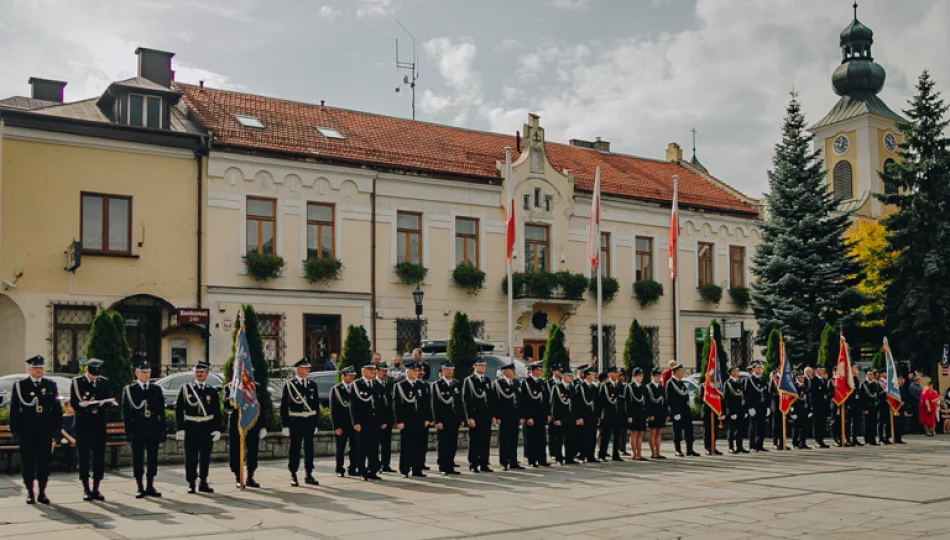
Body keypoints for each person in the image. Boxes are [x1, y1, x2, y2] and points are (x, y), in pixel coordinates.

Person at [10, 355, 63, 505]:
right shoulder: (21, 386)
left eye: (40, 367)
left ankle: (42, 492)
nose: (38, 370)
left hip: (44, 430)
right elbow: (14, 409)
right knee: (28, 462)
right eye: (35, 367)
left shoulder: (50, 385)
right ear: (29, 369)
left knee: (44, 462)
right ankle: (30, 492)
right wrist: (14, 430)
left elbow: (56, 409)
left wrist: (57, 429)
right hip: (27, 430)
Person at [71, 358, 117, 501]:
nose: (94, 378)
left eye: (96, 375)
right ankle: (86, 487)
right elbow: (75, 403)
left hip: (98, 424)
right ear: (86, 370)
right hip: (83, 424)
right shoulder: (77, 382)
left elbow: (108, 399)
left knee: (99, 456)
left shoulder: (104, 382)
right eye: (92, 374)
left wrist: (105, 404)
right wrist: (88, 406)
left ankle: (96, 487)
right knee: (84, 456)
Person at [175, 361, 222, 494]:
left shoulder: (211, 391)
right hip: (191, 427)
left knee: (205, 457)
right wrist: (180, 428)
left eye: (202, 372)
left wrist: (217, 428)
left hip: (206, 427)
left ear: (207, 374)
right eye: (197, 372)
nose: (199, 374)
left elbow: (216, 412)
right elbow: (179, 410)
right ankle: (191, 482)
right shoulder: (186, 389)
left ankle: (203, 481)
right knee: (191, 457)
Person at [122, 358, 165, 498]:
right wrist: (128, 432)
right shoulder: (130, 390)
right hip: (137, 429)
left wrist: (162, 430)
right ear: (136, 373)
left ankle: (150, 485)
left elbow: (161, 412)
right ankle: (140, 486)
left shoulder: (156, 389)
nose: (147, 375)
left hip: (152, 428)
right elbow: (127, 414)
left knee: (152, 458)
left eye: (148, 372)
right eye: (143, 372)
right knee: (138, 458)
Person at [281, 359, 321, 486]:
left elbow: (316, 405)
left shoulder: (312, 385)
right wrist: (285, 425)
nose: (308, 370)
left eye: (308, 368)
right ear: (298, 369)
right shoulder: (290, 385)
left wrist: (316, 423)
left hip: (309, 420)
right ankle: (293, 473)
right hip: (296, 421)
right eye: (305, 368)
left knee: (309, 448)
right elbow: (284, 407)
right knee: (295, 448)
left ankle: (309, 473)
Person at [225, 378, 267, 489]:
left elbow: (262, 406)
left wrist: (263, 425)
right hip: (236, 424)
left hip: (252, 423)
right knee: (236, 451)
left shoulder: (256, 387)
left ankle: (250, 476)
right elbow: (226, 405)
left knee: (252, 450)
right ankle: (239, 477)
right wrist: (235, 396)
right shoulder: (230, 387)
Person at [394, 361, 431, 477]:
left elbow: (426, 404)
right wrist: (398, 421)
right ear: (407, 371)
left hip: (419, 421)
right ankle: (404, 470)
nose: (416, 373)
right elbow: (396, 405)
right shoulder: (400, 386)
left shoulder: (421, 385)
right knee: (407, 446)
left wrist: (427, 418)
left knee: (419, 446)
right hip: (406, 421)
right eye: (414, 371)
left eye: (417, 371)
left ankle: (417, 469)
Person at [350, 363, 383, 481]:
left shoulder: (376, 384)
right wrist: (356, 422)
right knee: (362, 448)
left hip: (374, 421)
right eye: (370, 370)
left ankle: (372, 470)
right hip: (362, 422)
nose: (373, 371)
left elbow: (380, 404)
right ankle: (362, 471)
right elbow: (353, 405)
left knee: (374, 447)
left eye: (374, 370)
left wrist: (382, 420)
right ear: (363, 371)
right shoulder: (357, 385)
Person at [462, 358, 493, 473]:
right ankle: (473, 463)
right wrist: (469, 417)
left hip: (486, 416)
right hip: (475, 416)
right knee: (475, 440)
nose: (483, 367)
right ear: (474, 366)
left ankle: (484, 463)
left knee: (486, 440)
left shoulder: (487, 380)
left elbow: (491, 399)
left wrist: (493, 415)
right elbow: (466, 400)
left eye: (484, 365)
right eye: (480, 365)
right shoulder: (469, 380)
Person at [431, 361, 463, 476]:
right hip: (443, 419)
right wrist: (437, 420)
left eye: (452, 369)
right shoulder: (437, 385)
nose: (450, 371)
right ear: (443, 370)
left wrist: (461, 418)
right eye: (448, 369)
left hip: (453, 419)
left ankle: (450, 465)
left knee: (452, 444)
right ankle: (443, 466)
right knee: (443, 444)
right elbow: (434, 404)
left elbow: (459, 403)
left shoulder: (455, 384)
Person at [492, 363, 523, 470]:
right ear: (505, 371)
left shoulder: (515, 382)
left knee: (514, 439)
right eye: (511, 370)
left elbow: (519, 401)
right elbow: (495, 401)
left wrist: (521, 416)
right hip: (504, 416)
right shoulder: (498, 383)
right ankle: (504, 462)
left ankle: (513, 461)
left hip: (514, 415)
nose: (514, 372)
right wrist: (496, 416)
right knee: (504, 440)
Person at [329, 366, 357, 478]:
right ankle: (339, 468)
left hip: (353, 423)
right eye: (350, 375)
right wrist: (336, 426)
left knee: (354, 447)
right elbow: (333, 410)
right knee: (340, 448)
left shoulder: (355, 388)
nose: (352, 377)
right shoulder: (336, 389)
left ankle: (353, 467)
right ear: (343, 376)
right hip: (341, 424)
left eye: (353, 376)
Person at [520, 362, 551, 467]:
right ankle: (532, 460)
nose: (540, 371)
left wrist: (548, 414)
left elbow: (546, 400)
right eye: (538, 370)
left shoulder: (542, 382)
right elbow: (524, 401)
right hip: (531, 416)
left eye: (541, 370)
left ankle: (542, 459)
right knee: (531, 439)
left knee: (541, 439)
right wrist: (527, 416)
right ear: (533, 370)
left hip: (541, 415)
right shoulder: (526, 383)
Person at [667, 364, 699, 457]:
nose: (683, 373)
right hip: (677, 411)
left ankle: (690, 449)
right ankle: (678, 450)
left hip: (685, 411)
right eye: (681, 371)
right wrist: (675, 412)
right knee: (677, 431)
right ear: (676, 372)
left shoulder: (681, 382)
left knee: (689, 430)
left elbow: (685, 395)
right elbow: (670, 399)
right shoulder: (671, 383)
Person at [597, 367, 625, 462]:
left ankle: (615, 454)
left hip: (617, 414)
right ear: (610, 374)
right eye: (615, 372)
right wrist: (600, 415)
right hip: (608, 414)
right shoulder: (605, 386)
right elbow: (600, 402)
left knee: (617, 435)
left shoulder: (618, 385)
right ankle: (602, 454)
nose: (617, 374)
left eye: (617, 373)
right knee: (606, 436)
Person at [550, 370, 578, 465]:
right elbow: (553, 404)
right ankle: (559, 458)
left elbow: (575, 404)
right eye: (568, 375)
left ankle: (569, 458)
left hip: (570, 417)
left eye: (571, 375)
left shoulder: (572, 387)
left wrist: (576, 417)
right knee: (559, 439)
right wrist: (555, 418)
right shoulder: (557, 387)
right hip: (560, 417)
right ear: (563, 376)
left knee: (571, 438)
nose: (570, 377)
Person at [374, 362, 396, 473]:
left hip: (388, 419)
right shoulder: (373, 384)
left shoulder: (388, 384)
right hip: (377, 420)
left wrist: (392, 420)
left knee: (386, 444)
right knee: (375, 444)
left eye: (386, 371)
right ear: (377, 371)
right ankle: (375, 465)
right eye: (383, 371)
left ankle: (385, 464)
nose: (385, 373)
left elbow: (391, 403)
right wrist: (380, 421)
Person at [744, 361, 769, 452]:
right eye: (758, 368)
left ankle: (760, 445)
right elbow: (747, 394)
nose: (759, 369)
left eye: (760, 368)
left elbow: (766, 393)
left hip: (762, 406)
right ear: (753, 369)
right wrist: (749, 407)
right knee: (753, 426)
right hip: (754, 406)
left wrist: (767, 406)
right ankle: (752, 445)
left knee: (761, 426)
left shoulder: (762, 379)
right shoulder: (749, 379)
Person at [575, 367, 599, 463]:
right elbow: (577, 403)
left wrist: (597, 416)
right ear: (587, 375)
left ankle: (591, 455)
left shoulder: (593, 387)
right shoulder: (580, 387)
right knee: (583, 437)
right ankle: (582, 455)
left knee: (592, 436)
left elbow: (596, 403)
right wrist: (579, 416)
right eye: (592, 374)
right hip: (583, 416)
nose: (594, 376)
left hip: (592, 416)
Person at [624, 367, 648, 462]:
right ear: (634, 376)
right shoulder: (629, 387)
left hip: (641, 413)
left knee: (640, 434)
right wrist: (628, 415)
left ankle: (639, 453)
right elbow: (627, 402)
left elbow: (645, 401)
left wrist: (646, 414)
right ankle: (634, 454)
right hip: (633, 413)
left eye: (641, 376)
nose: (640, 378)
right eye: (638, 376)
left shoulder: (643, 387)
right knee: (634, 433)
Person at [724, 366, 748, 454]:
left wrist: (744, 410)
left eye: (738, 371)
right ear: (732, 373)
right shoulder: (728, 383)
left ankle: (740, 446)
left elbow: (743, 397)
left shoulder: (739, 382)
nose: (738, 373)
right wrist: (731, 412)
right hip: (733, 411)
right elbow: (727, 399)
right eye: (736, 371)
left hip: (740, 410)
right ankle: (731, 447)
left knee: (740, 429)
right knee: (731, 429)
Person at [646, 368, 667, 459]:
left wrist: (666, 413)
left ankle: (658, 452)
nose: (658, 378)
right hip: (653, 413)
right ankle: (653, 452)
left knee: (659, 433)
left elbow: (665, 401)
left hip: (661, 413)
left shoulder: (661, 387)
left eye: (659, 376)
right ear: (652, 376)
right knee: (653, 433)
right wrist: (649, 414)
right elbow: (647, 402)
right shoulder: (649, 387)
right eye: (656, 376)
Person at [698, 381, 722, 456]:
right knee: (707, 430)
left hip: (715, 411)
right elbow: (700, 398)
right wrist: (709, 400)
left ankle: (713, 447)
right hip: (707, 411)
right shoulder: (703, 385)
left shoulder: (716, 385)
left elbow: (720, 397)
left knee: (715, 430)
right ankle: (707, 448)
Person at [810, 366, 831, 448]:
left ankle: (821, 440)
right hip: (816, 406)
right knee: (817, 424)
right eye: (822, 370)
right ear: (817, 370)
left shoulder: (824, 380)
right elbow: (812, 394)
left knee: (822, 423)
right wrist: (812, 407)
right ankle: (817, 440)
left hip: (823, 406)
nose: (823, 371)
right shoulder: (813, 380)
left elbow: (826, 392)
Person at [790, 371, 811, 450]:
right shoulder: (794, 386)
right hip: (796, 410)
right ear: (797, 378)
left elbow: (808, 398)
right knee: (796, 427)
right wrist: (792, 411)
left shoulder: (805, 386)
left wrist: (809, 410)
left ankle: (803, 443)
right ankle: (795, 443)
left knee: (804, 427)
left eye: (803, 377)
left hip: (804, 409)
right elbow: (791, 398)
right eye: (800, 377)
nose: (802, 378)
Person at [860, 370, 880, 446]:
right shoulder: (864, 384)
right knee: (867, 424)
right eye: (870, 375)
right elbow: (862, 398)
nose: (871, 376)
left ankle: (873, 440)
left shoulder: (874, 384)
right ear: (866, 375)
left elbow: (876, 395)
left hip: (874, 407)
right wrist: (864, 408)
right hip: (867, 407)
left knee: (873, 423)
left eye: (872, 375)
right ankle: (867, 440)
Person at [846, 365, 864, 446]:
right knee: (848, 421)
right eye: (855, 367)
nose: (856, 369)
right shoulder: (848, 378)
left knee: (856, 421)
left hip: (857, 403)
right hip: (850, 403)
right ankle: (847, 438)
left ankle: (854, 438)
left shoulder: (856, 378)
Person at [58, 402, 78, 473]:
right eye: (70, 406)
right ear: (66, 407)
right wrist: (69, 438)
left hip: (75, 436)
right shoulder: (62, 417)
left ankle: (76, 464)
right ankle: (69, 465)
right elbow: (61, 429)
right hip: (66, 436)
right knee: (65, 443)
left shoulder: (76, 417)